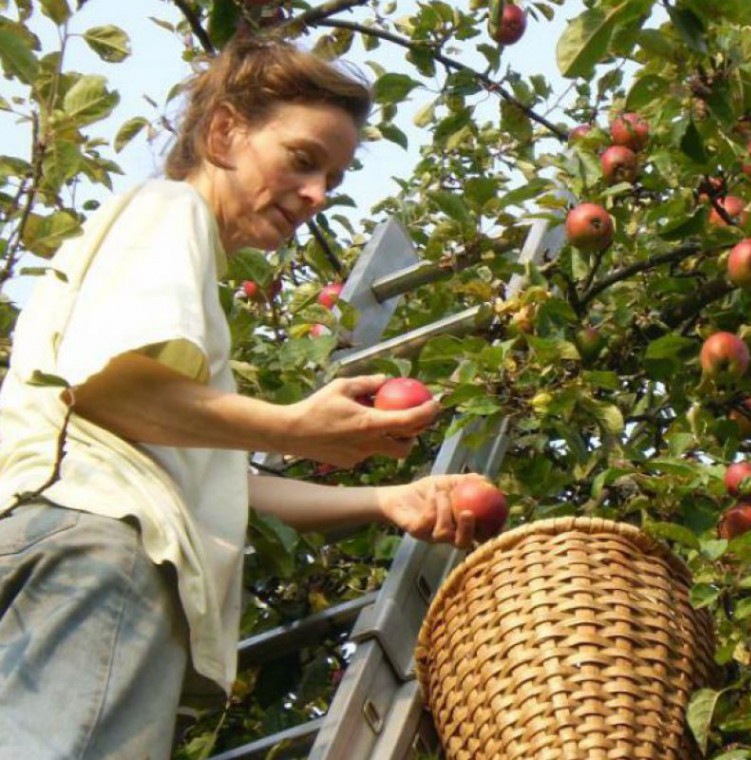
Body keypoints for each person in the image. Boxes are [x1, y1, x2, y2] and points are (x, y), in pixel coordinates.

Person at [0, 37, 481, 758]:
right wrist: (296, 427)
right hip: (104, 553)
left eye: (333, 177)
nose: (318, 193)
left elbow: (223, 482)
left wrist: (387, 500)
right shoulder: (171, 211)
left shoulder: (172, 286)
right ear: (224, 132)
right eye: (301, 158)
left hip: (62, 545)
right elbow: (105, 391)